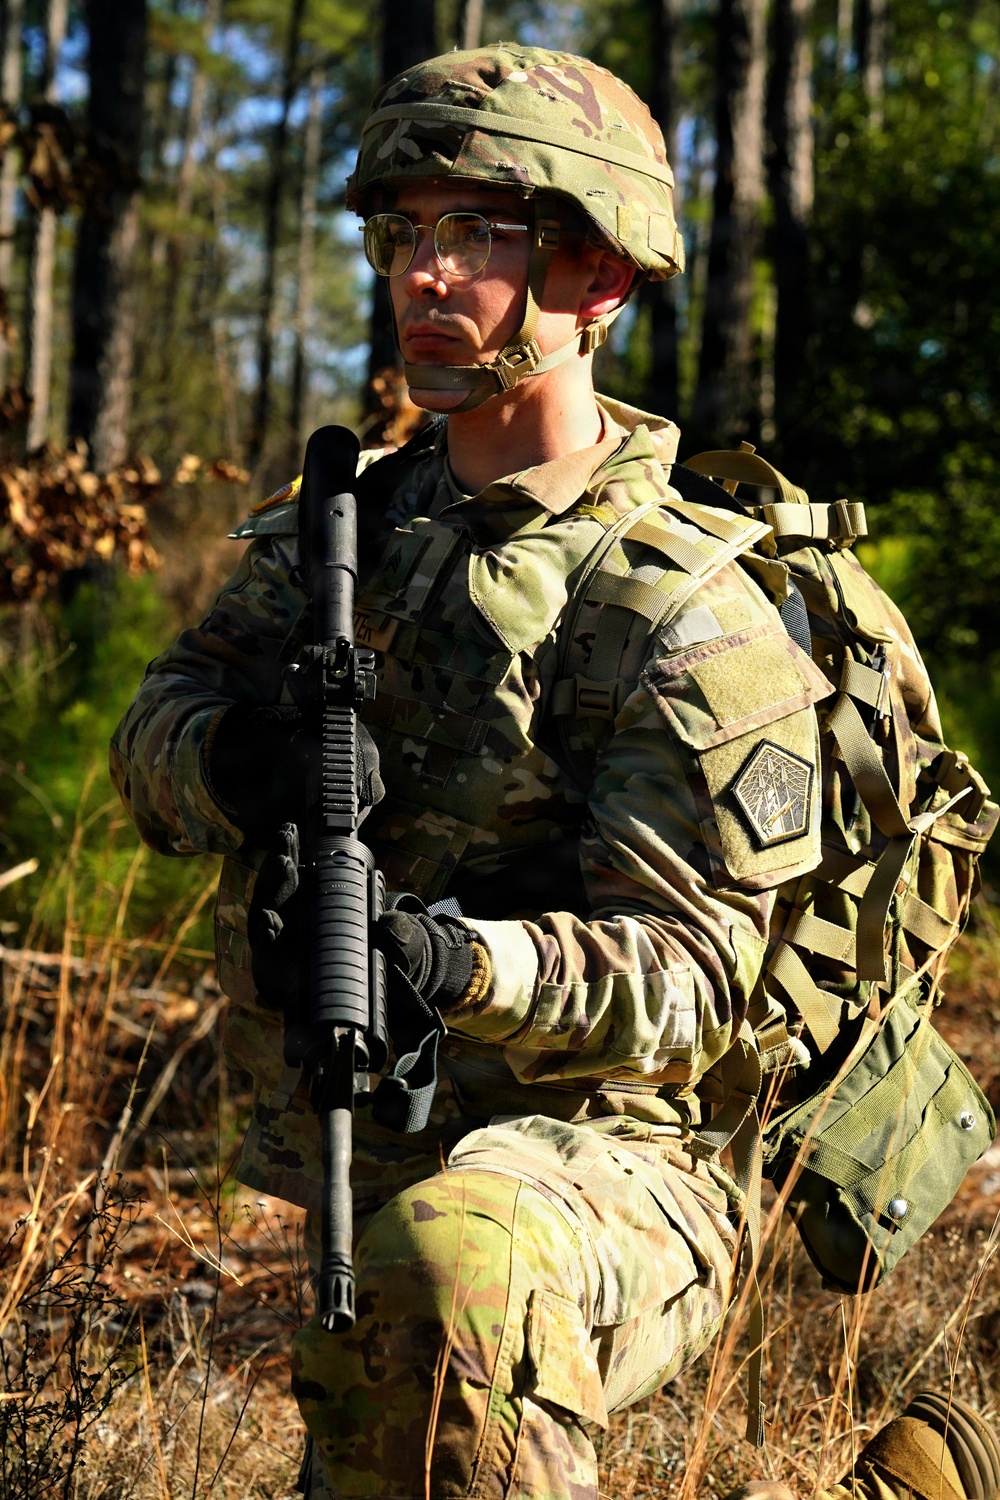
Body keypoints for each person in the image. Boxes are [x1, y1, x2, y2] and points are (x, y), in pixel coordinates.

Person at [111, 43, 1000, 1500]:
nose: (423, 273)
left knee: (452, 1274)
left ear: (601, 274)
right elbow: (159, 734)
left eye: (476, 233)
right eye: (403, 233)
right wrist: (240, 762)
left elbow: (695, 986)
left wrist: (450, 965)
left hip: (630, 1155)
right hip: (390, 1147)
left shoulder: (682, 606)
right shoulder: (343, 538)